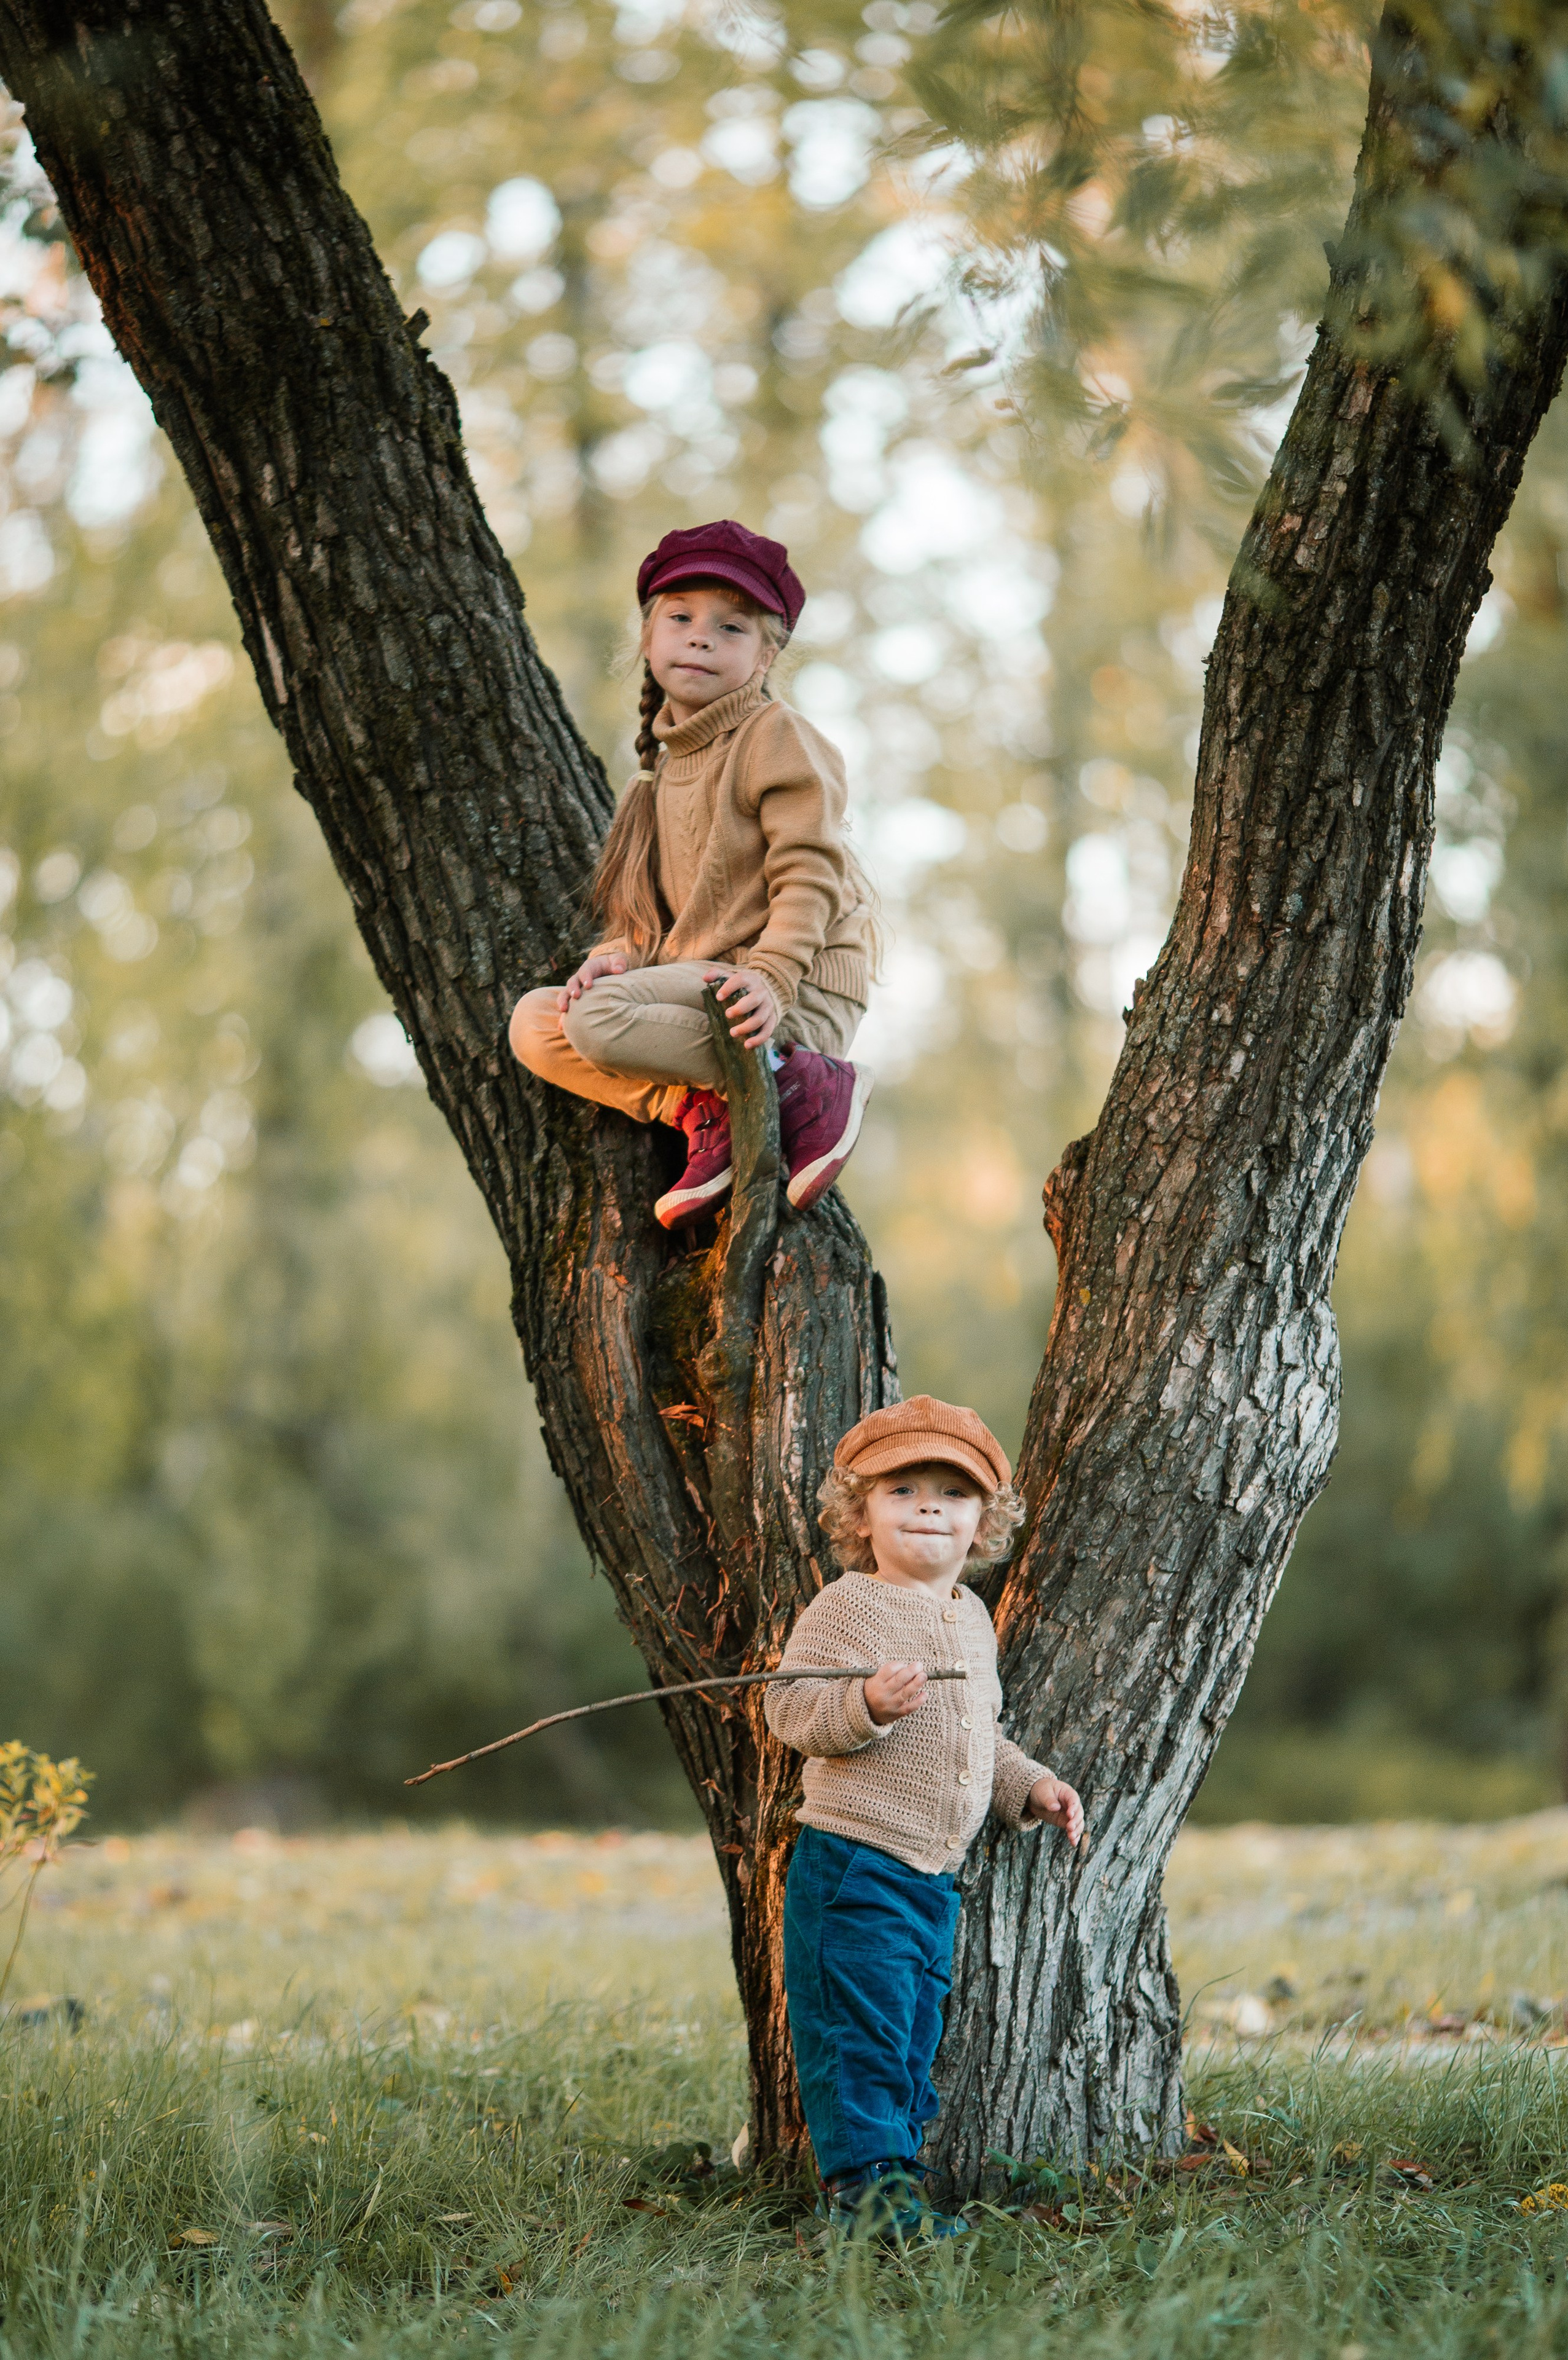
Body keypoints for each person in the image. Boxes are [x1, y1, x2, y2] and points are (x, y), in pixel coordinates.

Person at [766, 1396, 1085, 2241]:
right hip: (856, 1864)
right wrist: (865, 1703)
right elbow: (790, 1712)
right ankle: (868, 2205)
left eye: (953, 1491)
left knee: (911, 2037)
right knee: (859, 2033)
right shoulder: (849, 1605)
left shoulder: (973, 1620)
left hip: (931, 1879)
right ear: (860, 1512)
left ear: (983, 1521)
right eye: (904, 1488)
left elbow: (977, 1733)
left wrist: (1030, 1786)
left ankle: (894, 2190)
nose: (930, 1506)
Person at [509, 520, 876, 1228]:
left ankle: (805, 1082)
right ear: (648, 639)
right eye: (680, 618)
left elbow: (810, 874)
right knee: (536, 1022)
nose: (700, 636)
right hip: (706, 989)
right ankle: (703, 1107)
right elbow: (654, 921)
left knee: (597, 1020)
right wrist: (612, 957)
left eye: (731, 628)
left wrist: (771, 979)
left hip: (785, 996)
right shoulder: (656, 774)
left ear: (767, 657)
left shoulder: (776, 737)